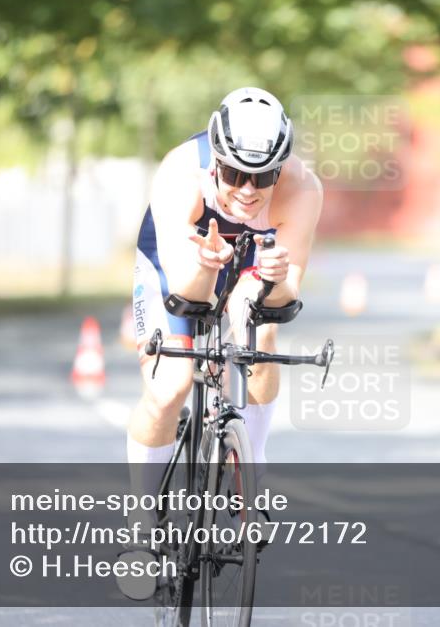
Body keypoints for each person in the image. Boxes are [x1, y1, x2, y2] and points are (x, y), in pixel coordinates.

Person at [127, 87, 323, 541]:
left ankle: (248, 478)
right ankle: (140, 526)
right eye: (235, 174)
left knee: (261, 337)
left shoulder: (302, 187)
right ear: (216, 160)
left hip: (253, 261)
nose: (249, 191)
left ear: (281, 167)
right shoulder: (180, 172)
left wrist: (272, 280)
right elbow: (184, 294)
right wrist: (205, 265)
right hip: (178, 262)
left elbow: (286, 295)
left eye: (263, 175)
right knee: (169, 388)